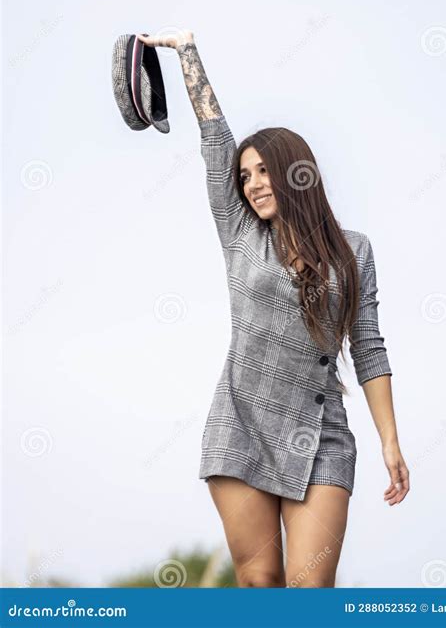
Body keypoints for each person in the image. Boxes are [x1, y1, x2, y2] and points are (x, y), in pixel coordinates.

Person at [137, 29, 410, 588]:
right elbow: (216, 138)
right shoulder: (240, 233)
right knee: (260, 583)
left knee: (309, 591)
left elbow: (369, 347)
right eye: (246, 175)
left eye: (264, 171)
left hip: (322, 436)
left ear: (295, 172)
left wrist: (390, 441)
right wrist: (187, 51)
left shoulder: (354, 250)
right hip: (240, 425)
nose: (254, 184)